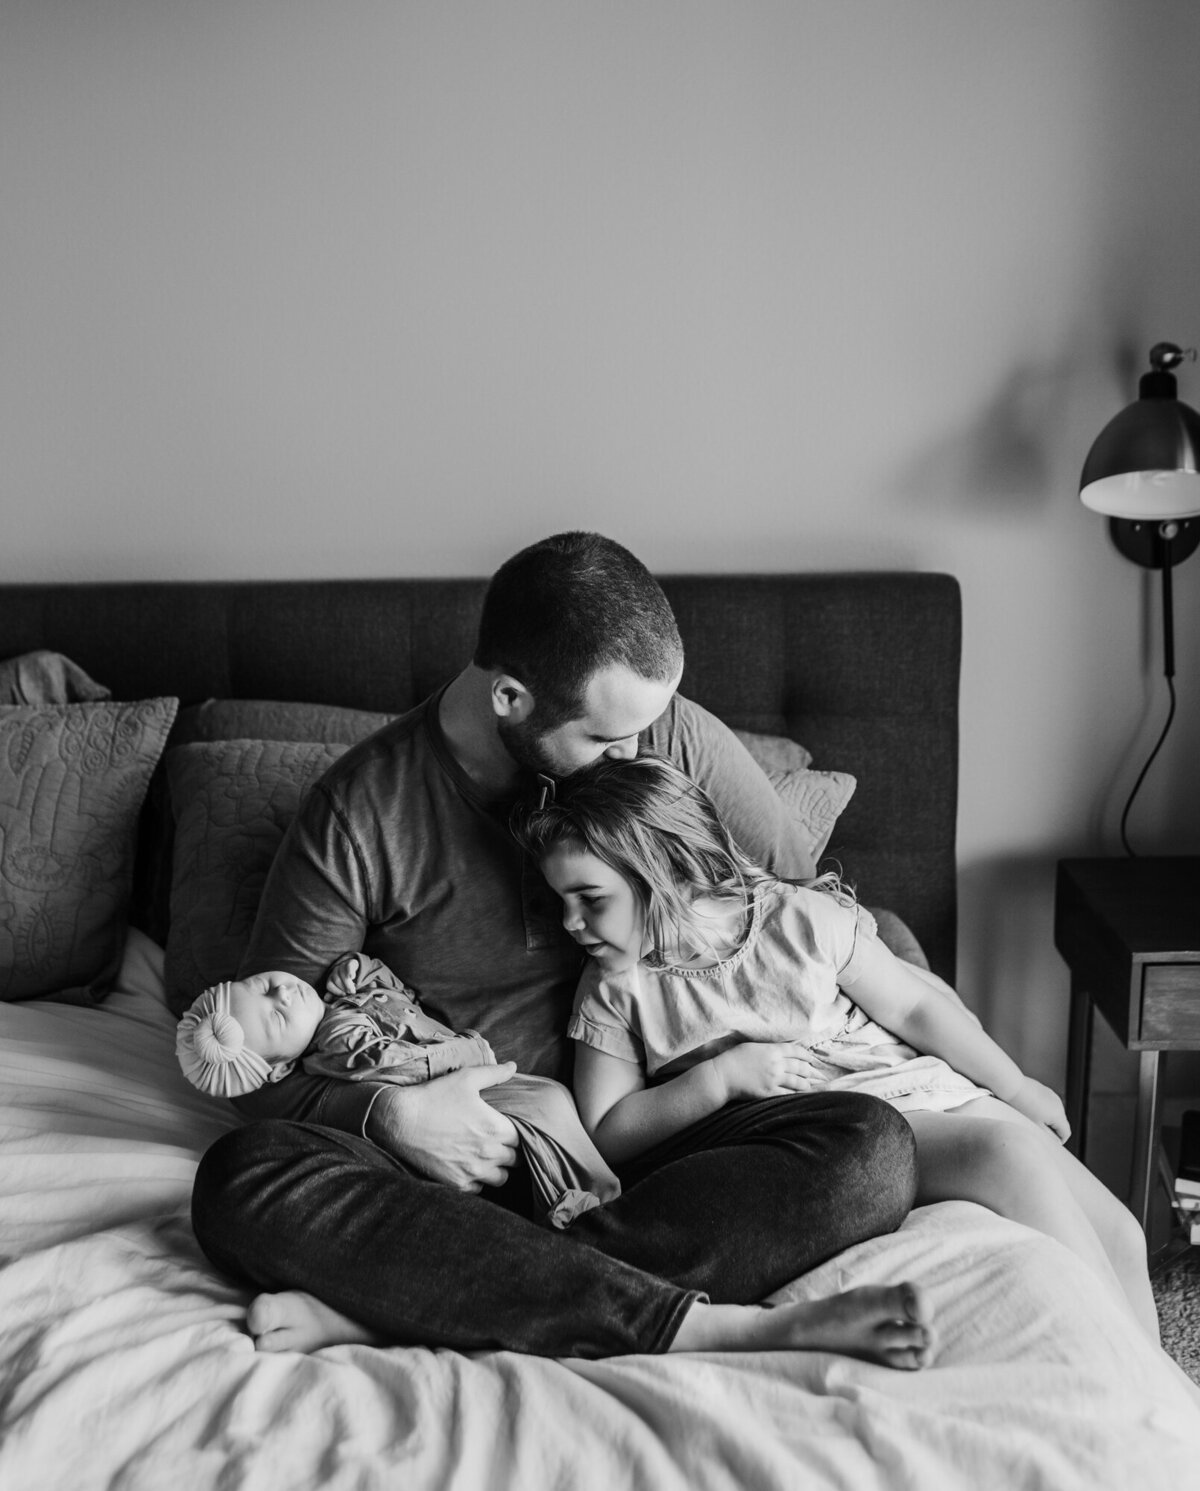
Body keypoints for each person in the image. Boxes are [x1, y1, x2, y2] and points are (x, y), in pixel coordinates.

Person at [190, 530, 933, 1367]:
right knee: (239, 1175)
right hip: (466, 1162)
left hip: (665, 1140)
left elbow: (814, 912)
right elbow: (259, 1062)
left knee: (872, 1151)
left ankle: (416, 1306)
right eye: (605, 741)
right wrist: (392, 1113)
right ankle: (695, 1320)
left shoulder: (666, 733)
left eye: (646, 729)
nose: (635, 755)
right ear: (511, 696)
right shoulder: (358, 812)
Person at [511, 751, 1161, 1343]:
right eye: (561, 900)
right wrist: (718, 1079)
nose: (570, 922)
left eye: (590, 899)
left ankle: (1167, 1401)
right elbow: (606, 1128)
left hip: (929, 1087)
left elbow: (914, 1006)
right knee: (1005, 1152)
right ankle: (1125, 1364)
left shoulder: (799, 919)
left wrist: (1015, 1086)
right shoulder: (613, 987)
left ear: (668, 868)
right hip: (846, 1131)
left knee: (1122, 1235)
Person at [176, 958, 621, 1228]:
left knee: (551, 1106)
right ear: (281, 1069)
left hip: (471, 1084)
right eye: (275, 1017)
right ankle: (577, 1204)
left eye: (261, 985)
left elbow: (400, 998)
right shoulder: (337, 1042)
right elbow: (403, 1064)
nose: (284, 992)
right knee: (545, 1110)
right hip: (465, 1093)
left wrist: (362, 970)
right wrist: (468, 1050)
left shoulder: (337, 1005)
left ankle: (592, 1197)